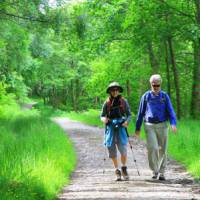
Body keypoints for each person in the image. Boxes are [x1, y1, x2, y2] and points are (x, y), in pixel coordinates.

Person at [135, 74, 177, 181]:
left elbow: (171, 111)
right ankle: (155, 170)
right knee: (152, 148)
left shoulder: (164, 96)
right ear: (151, 84)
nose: (156, 87)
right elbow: (140, 113)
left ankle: (162, 172)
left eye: (157, 85)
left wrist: (173, 123)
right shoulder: (146, 96)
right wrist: (138, 128)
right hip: (149, 125)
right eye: (154, 85)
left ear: (160, 84)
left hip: (162, 125)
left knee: (163, 149)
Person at [100, 82, 132, 181]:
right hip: (110, 128)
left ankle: (124, 168)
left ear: (118, 90)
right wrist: (104, 120)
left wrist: (127, 122)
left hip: (121, 128)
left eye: (116, 90)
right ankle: (117, 170)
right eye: (113, 90)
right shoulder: (107, 102)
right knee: (111, 149)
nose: (115, 92)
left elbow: (129, 115)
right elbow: (102, 115)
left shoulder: (123, 101)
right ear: (110, 91)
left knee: (123, 149)